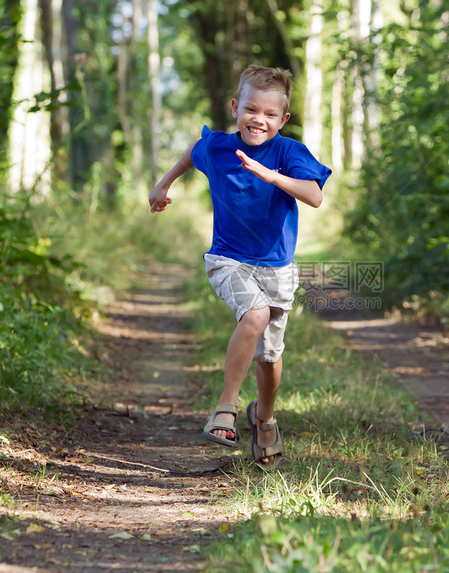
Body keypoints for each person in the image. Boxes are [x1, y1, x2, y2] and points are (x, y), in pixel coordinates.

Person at [148, 65, 331, 468]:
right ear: (235, 108)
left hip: (277, 268)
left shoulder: (289, 152)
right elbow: (195, 152)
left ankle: (264, 416)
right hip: (228, 258)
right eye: (251, 109)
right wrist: (163, 185)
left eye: (269, 114)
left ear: (283, 119)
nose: (258, 120)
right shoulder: (219, 148)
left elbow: (314, 196)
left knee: (270, 355)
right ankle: (225, 407)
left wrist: (271, 175)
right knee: (254, 314)